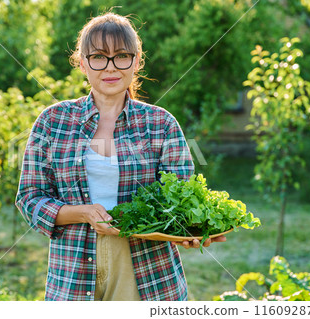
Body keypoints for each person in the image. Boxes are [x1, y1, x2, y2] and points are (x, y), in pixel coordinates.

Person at [15, 11, 226, 301]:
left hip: (146, 269)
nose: (110, 67)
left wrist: (189, 229)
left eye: (122, 56)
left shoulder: (161, 124)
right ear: (82, 62)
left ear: (137, 61)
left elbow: (181, 196)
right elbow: (29, 197)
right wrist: (85, 213)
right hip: (73, 267)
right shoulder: (53, 120)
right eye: (99, 57)